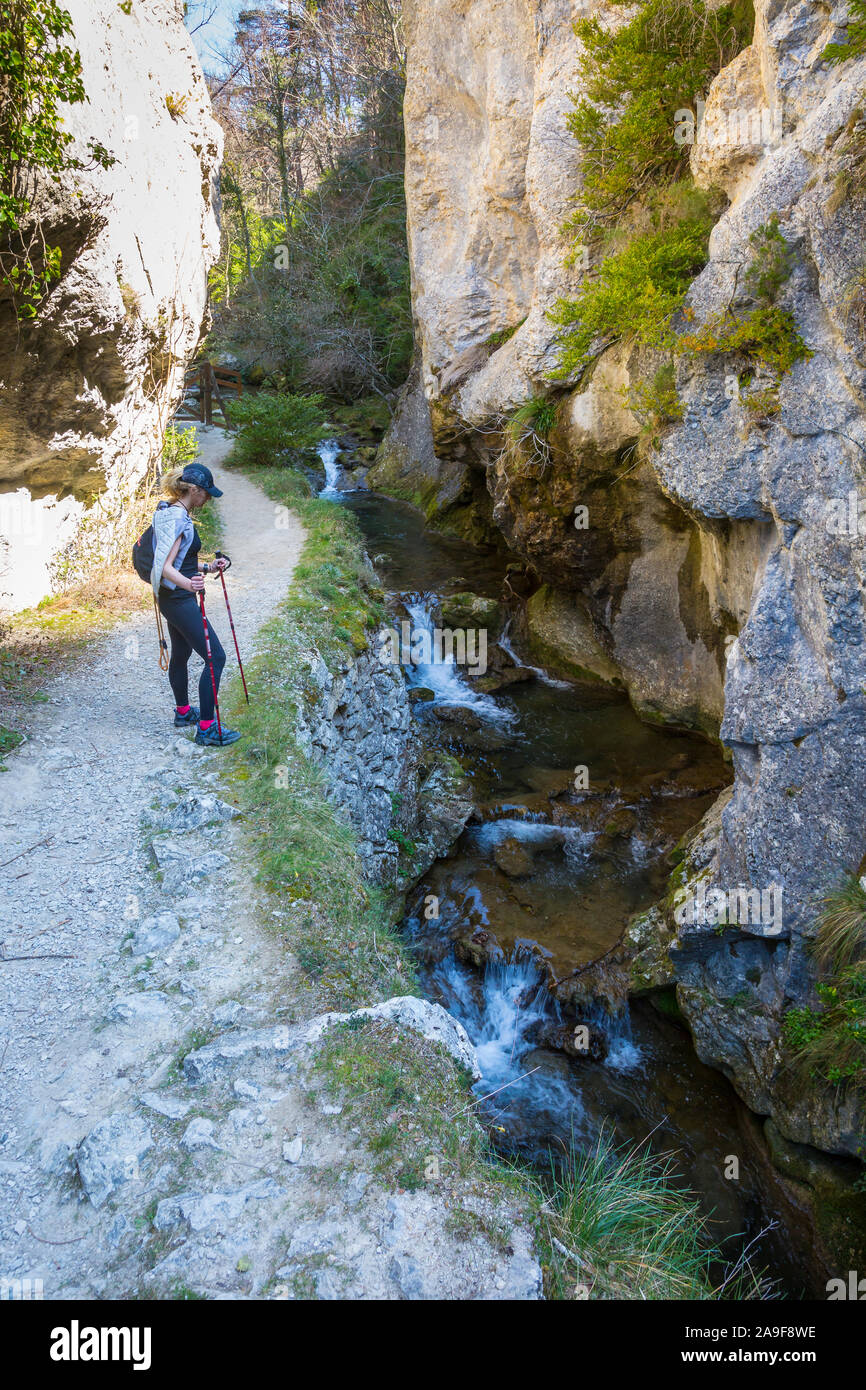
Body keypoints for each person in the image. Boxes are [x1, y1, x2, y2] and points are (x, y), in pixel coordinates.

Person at [150, 462, 241, 747]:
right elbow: (164, 566)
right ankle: (206, 729)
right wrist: (190, 584)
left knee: (182, 652)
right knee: (216, 657)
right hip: (179, 598)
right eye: (207, 493)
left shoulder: (169, 512)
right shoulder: (178, 518)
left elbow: (180, 561)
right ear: (194, 490)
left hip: (170, 597)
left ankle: (184, 712)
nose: (209, 499)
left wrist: (208, 567)